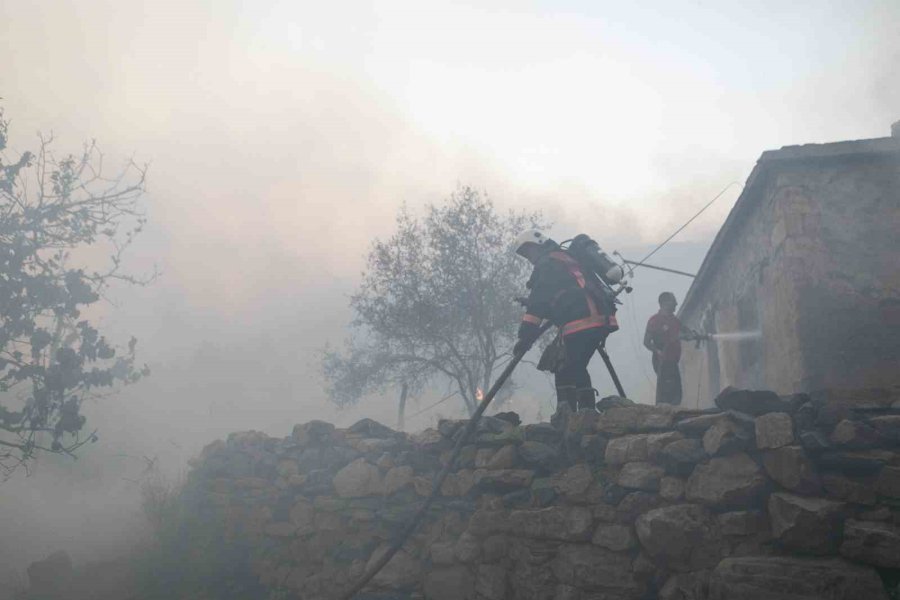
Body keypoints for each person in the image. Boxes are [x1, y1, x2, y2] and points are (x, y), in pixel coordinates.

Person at [512, 230, 621, 423]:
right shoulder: (565, 259)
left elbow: (538, 304)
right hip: (598, 318)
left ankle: (571, 418)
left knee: (566, 367)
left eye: (529, 251)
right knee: (574, 366)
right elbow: (564, 296)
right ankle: (583, 415)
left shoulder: (547, 264)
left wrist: (524, 337)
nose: (529, 257)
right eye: (525, 254)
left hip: (582, 322)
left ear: (539, 244)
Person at [644, 291, 683, 405]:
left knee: (677, 393)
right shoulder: (655, 320)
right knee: (666, 391)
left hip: (673, 361)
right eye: (673, 301)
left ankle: (672, 411)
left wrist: (695, 335)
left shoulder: (675, 320)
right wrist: (657, 351)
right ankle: (662, 412)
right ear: (665, 303)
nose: (676, 304)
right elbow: (646, 342)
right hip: (662, 361)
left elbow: (686, 332)